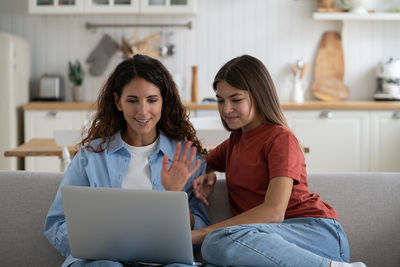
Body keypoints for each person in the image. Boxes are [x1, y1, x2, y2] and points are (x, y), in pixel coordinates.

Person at [190, 55, 367, 267]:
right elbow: (200, 160)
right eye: (220, 100)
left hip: (314, 234)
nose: (226, 109)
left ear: (259, 96)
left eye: (236, 100)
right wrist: (207, 170)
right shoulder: (234, 143)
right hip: (269, 239)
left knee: (215, 242)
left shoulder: (280, 139)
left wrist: (202, 233)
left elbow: (274, 211)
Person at [44, 54, 210, 267]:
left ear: (163, 101)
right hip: (103, 261)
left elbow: (203, 231)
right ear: (117, 102)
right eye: (132, 100)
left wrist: (175, 197)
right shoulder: (91, 157)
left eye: (152, 100)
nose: (142, 111)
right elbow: (57, 223)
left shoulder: (187, 159)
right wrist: (94, 244)